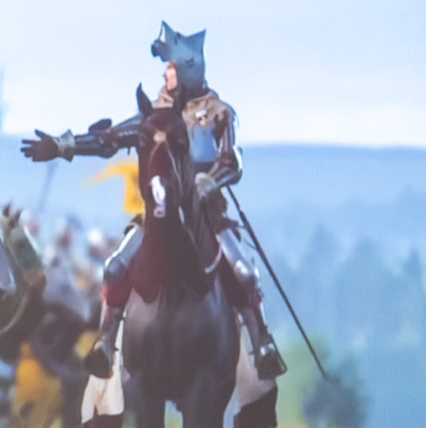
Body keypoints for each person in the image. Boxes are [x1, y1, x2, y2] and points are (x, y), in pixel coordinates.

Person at [55, 23, 287, 381]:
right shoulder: (157, 113)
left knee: (243, 272)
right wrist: (64, 145)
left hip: (205, 213)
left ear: (188, 67)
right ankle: (105, 339)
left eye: (170, 68)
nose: (165, 74)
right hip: (158, 213)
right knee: (115, 268)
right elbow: (110, 139)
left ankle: (262, 341)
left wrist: (211, 180)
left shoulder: (218, 112)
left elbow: (232, 160)